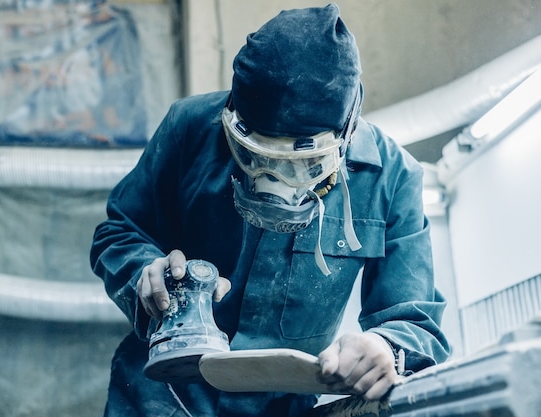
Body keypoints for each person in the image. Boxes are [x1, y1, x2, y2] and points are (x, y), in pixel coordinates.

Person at [90, 4, 450, 417]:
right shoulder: (189, 126)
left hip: (279, 407)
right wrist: (143, 272)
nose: (272, 182)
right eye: (253, 155)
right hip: (160, 397)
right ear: (234, 118)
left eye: (300, 164)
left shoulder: (393, 176)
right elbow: (118, 232)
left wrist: (384, 347)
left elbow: (416, 322)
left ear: (345, 132)